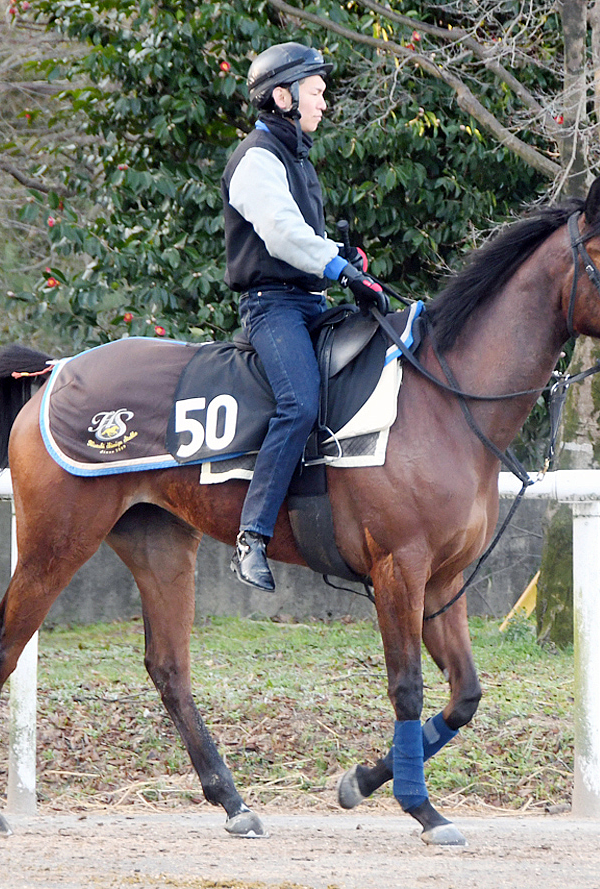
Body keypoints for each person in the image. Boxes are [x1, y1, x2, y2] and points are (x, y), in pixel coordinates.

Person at [222, 42, 388, 591]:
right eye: (315, 93)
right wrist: (342, 269)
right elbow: (284, 235)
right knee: (299, 404)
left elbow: (309, 239)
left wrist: (347, 258)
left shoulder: (294, 156)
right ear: (282, 96)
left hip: (310, 304)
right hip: (271, 308)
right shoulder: (256, 158)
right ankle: (253, 536)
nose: (323, 103)